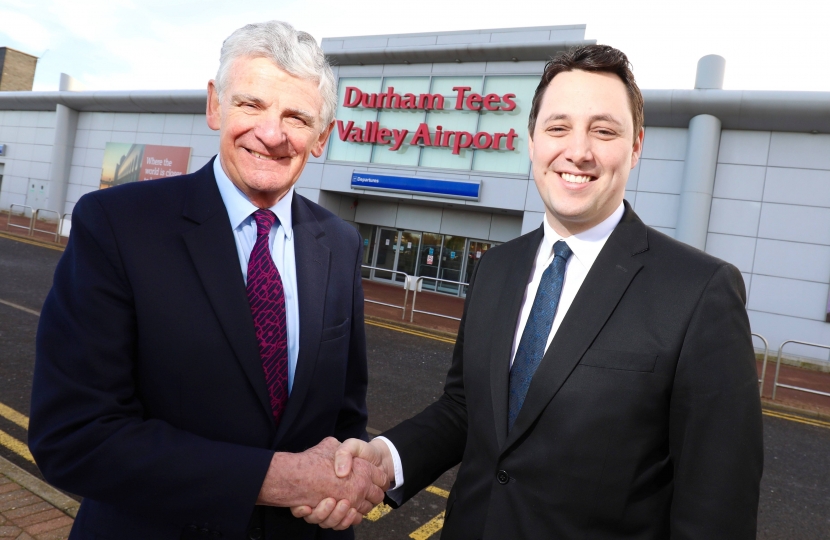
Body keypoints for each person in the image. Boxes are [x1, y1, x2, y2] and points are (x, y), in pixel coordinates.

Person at [300, 45, 764, 538]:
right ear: (532, 140)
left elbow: (718, 507)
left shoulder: (699, 291)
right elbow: (465, 409)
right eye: (558, 127)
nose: (578, 151)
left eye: (603, 130)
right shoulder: (497, 268)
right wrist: (386, 457)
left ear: (635, 147)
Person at [29, 21, 387, 540]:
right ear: (215, 105)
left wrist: (345, 478)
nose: (271, 133)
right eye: (251, 105)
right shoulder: (118, 225)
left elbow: (345, 417)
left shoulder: (340, 242)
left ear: (322, 136)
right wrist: (278, 479)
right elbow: (75, 435)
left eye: (296, 117)